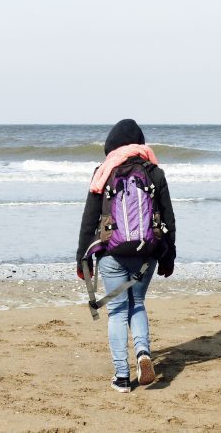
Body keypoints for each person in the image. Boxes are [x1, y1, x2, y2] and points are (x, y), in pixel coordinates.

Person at [76, 119, 176, 393]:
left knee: (118, 311)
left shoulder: (103, 171)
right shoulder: (154, 171)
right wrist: (169, 256)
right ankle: (143, 353)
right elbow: (168, 218)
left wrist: (82, 260)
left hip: (111, 254)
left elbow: (89, 220)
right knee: (138, 304)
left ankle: (122, 376)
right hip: (147, 253)